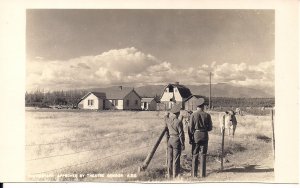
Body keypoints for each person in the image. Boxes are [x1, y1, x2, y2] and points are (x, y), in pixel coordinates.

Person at [188, 98, 212, 177]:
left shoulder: (193, 115)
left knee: (195, 155)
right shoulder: (207, 115)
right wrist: (204, 130)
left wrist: (191, 137)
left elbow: (190, 128)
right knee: (203, 154)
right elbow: (210, 128)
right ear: (203, 106)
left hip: (196, 136)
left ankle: (194, 174)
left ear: (197, 106)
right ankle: (203, 174)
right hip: (204, 135)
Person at [165, 104, 185, 178]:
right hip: (176, 140)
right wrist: (183, 144)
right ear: (178, 113)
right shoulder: (178, 122)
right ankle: (175, 175)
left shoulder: (168, 120)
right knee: (176, 159)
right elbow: (181, 134)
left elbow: (165, 117)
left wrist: (166, 114)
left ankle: (169, 174)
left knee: (169, 158)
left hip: (170, 140)